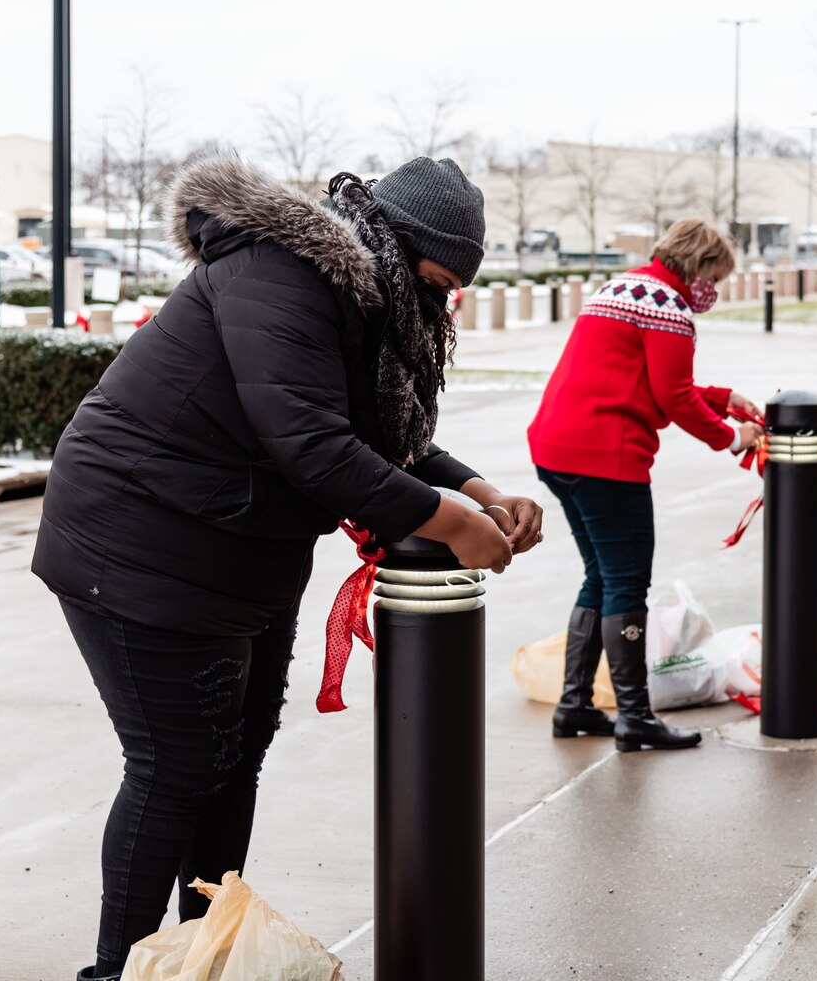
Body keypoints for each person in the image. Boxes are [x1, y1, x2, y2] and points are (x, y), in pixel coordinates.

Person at [32, 153, 544, 981]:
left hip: (238, 549)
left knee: (237, 752)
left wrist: (479, 489)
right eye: (437, 280)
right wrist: (448, 519)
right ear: (391, 240)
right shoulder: (287, 273)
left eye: (454, 289)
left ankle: (203, 954)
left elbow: (384, 432)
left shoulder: (366, 297)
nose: (440, 304)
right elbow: (310, 443)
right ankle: (114, 974)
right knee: (176, 763)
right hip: (135, 538)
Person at [526, 218, 761, 753]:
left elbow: (642, 375)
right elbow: (674, 396)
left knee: (600, 578)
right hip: (606, 459)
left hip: (556, 448)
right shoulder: (668, 307)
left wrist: (723, 397)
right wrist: (733, 438)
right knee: (627, 584)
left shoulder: (624, 288)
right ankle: (635, 717)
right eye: (715, 276)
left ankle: (575, 705)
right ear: (698, 264)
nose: (714, 290)